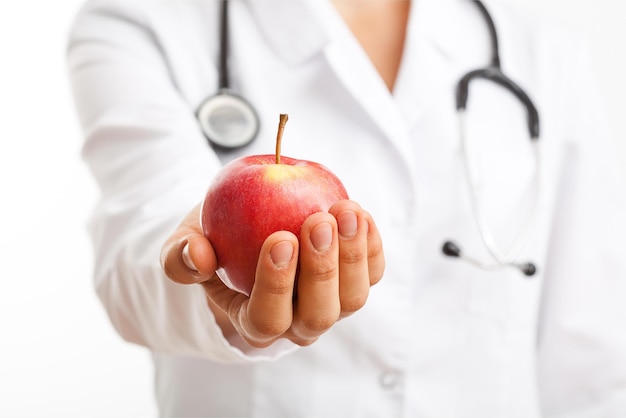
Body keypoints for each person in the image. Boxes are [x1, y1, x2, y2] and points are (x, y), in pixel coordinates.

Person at [67, 0, 626, 416]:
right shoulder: (141, 22)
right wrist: (209, 282)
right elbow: (139, 235)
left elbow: (588, 353)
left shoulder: (544, 49)